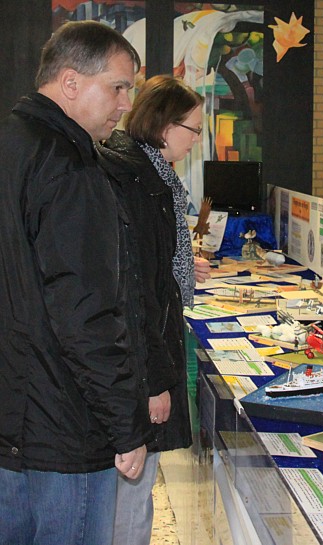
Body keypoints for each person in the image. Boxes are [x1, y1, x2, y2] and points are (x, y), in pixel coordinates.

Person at [0, 21, 150, 545]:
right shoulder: (69, 165)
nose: (125, 103)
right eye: (117, 87)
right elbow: (85, 313)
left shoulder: (12, 143)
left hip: (14, 423)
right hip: (65, 429)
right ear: (69, 83)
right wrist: (125, 425)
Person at [96, 75, 211, 545]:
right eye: (195, 129)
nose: (197, 139)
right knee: (131, 497)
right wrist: (156, 383)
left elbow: (155, 270)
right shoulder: (141, 184)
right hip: (140, 372)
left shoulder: (150, 176)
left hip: (137, 366)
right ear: (166, 127)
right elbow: (140, 298)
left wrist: (183, 263)